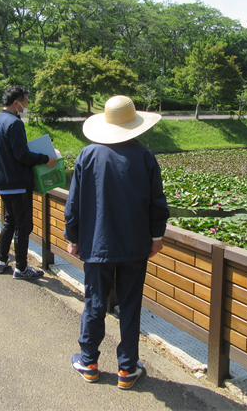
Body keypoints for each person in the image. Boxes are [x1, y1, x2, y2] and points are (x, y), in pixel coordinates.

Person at [65, 95, 169, 390]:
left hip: (96, 245)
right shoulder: (145, 156)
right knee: (131, 305)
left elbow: (73, 205)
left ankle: (89, 363)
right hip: (135, 244)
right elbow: (157, 205)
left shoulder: (86, 156)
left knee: (94, 302)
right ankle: (127, 369)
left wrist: (73, 237)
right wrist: (156, 237)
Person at [0, 85, 56, 279]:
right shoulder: (14, 123)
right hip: (17, 182)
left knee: (9, 222)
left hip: (1, 182)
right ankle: (22, 268)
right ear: (16, 103)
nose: (26, 106)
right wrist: (45, 158)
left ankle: (1, 260)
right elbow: (21, 154)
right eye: (25, 102)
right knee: (23, 226)